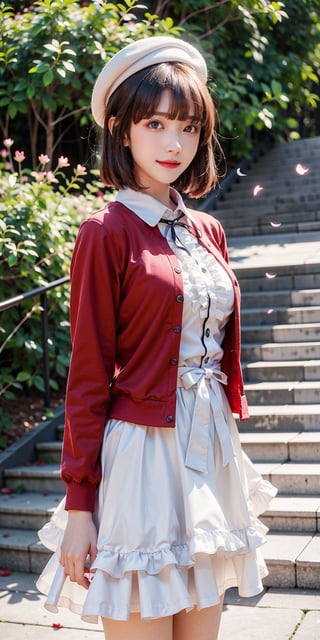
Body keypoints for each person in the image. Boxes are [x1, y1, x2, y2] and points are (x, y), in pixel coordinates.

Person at [36, 36, 277, 640]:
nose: (175, 143)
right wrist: (81, 507)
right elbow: (88, 375)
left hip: (209, 455)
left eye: (190, 128)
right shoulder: (106, 231)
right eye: (156, 122)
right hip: (142, 460)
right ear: (121, 129)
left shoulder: (208, 230)